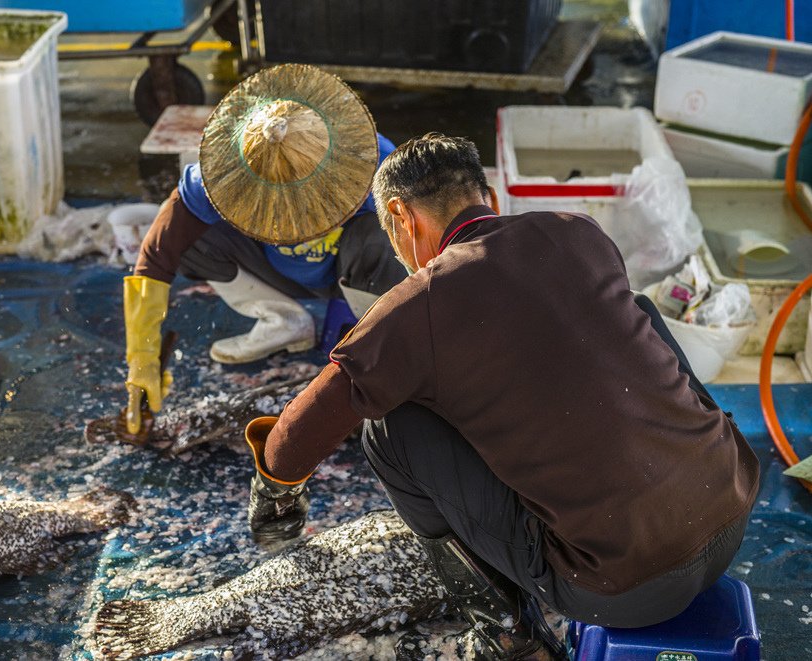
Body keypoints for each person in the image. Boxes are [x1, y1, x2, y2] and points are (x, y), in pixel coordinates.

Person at [241, 133, 760, 659]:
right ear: (483, 193)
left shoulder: (416, 304)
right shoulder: (578, 233)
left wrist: (276, 499)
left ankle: (512, 638)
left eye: (390, 233)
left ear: (401, 215)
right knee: (640, 313)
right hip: (731, 515)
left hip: (620, 588)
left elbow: (294, 440)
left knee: (391, 428)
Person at [123, 63, 405, 433]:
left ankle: (376, 347)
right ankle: (284, 321)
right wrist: (142, 356)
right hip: (274, 272)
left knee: (380, 235)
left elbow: (431, 254)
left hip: (353, 273)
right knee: (193, 241)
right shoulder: (217, 177)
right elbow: (157, 257)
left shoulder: (377, 164)